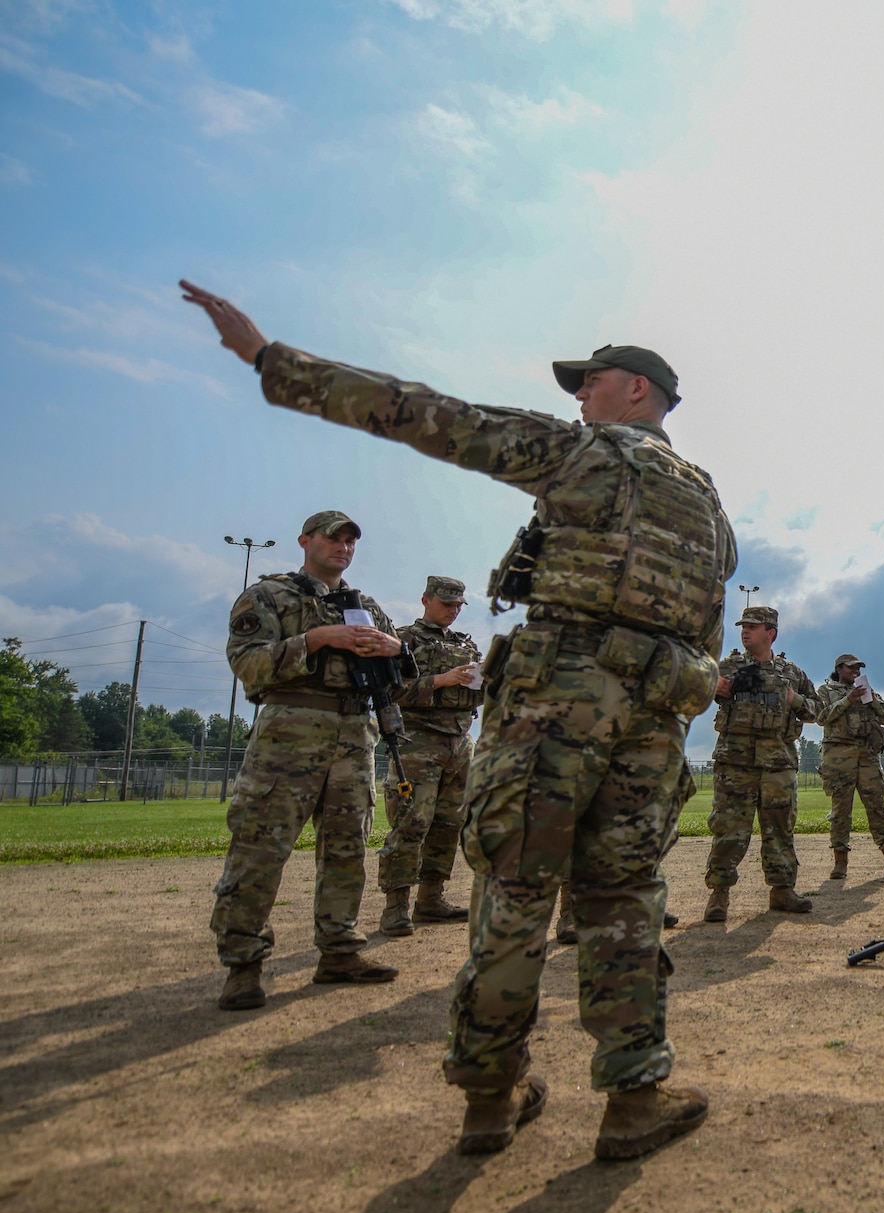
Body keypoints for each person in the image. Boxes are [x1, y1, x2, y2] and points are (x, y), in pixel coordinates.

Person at [183, 281, 729, 1162]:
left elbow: (432, 417)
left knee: (515, 890)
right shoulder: (710, 506)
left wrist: (270, 360)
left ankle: (490, 1092)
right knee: (625, 897)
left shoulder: (590, 457)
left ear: (636, 391)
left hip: (553, 708)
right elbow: (704, 634)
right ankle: (634, 1095)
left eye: (589, 382)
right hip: (652, 721)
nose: (577, 396)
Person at [207, 509, 406, 1011]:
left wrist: (394, 646)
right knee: (260, 848)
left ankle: (338, 951)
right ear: (305, 541)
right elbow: (247, 663)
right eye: (332, 538)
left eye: (350, 542)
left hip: (354, 736)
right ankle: (243, 965)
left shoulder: (366, 606)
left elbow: (403, 672)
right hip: (289, 734)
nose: (342, 548)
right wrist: (317, 639)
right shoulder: (269, 596)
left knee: (347, 851)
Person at [376, 575, 481, 936]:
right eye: (446, 603)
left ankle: (431, 898)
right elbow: (389, 691)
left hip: (459, 742)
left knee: (448, 824)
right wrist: (441, 680)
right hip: (417, 742)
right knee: (411, 823)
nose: (453, 611)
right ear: (426, 600)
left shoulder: (466, 645)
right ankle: (396, 906)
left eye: (457, 605)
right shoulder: (404, 639)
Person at [702, 607, 819, 920]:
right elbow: (691, 687)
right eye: (743, 626)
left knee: (780, 828)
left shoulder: (791, 673)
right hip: (734, 763)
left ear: (771, 633)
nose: (745, 631)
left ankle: (782, 891)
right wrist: (713, 686)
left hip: (777, 765)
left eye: (753, 627)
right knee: (729, 828)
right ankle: (719, 895)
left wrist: (795, 700)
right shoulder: (726, 666)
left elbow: (818, 711)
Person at [816, 653, 884, 881]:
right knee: (841, 811)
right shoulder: (826, 691)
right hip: (840, 756)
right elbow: (821, 716)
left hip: (867, 755)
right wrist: (848, 700)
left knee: (877, 806)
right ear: (839, 668)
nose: (856, 672)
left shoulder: (868, 690)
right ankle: (840, 864)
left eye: (858, 669)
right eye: (851, 668)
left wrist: (871, 699)